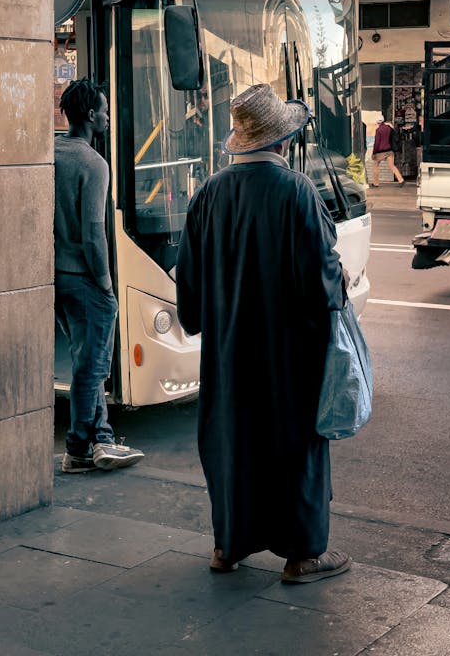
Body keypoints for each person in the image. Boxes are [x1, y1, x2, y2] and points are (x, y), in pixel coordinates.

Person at [176, 83, 352, 584]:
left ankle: (227, 546)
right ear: (284, 141)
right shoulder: (297, 191)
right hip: (289, 351)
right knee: (297, 444)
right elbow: (323, 276)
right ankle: (303, 555)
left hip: (229, 350)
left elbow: (186, 277)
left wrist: (208, 322)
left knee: (234, 440)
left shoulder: (209, 192)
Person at [54, 78, 144, 473]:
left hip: (55, 276)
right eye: (104, 110)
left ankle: (102, 441)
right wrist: (107, 285)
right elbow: (94, 233)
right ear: (91, 116)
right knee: (92, 368)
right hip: (85, 278)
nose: (108, 116)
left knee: (84, 358)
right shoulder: (94, 164)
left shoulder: (51, 153)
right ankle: (78, 449)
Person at [370, 115, 404, 188]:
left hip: (381, 152)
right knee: (392, 165)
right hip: (390, 150)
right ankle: (401, 180)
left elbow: (377, 142)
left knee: (375, 165)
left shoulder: (378, 130)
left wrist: (374, 153)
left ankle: (376, 183)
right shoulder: (389, 128)